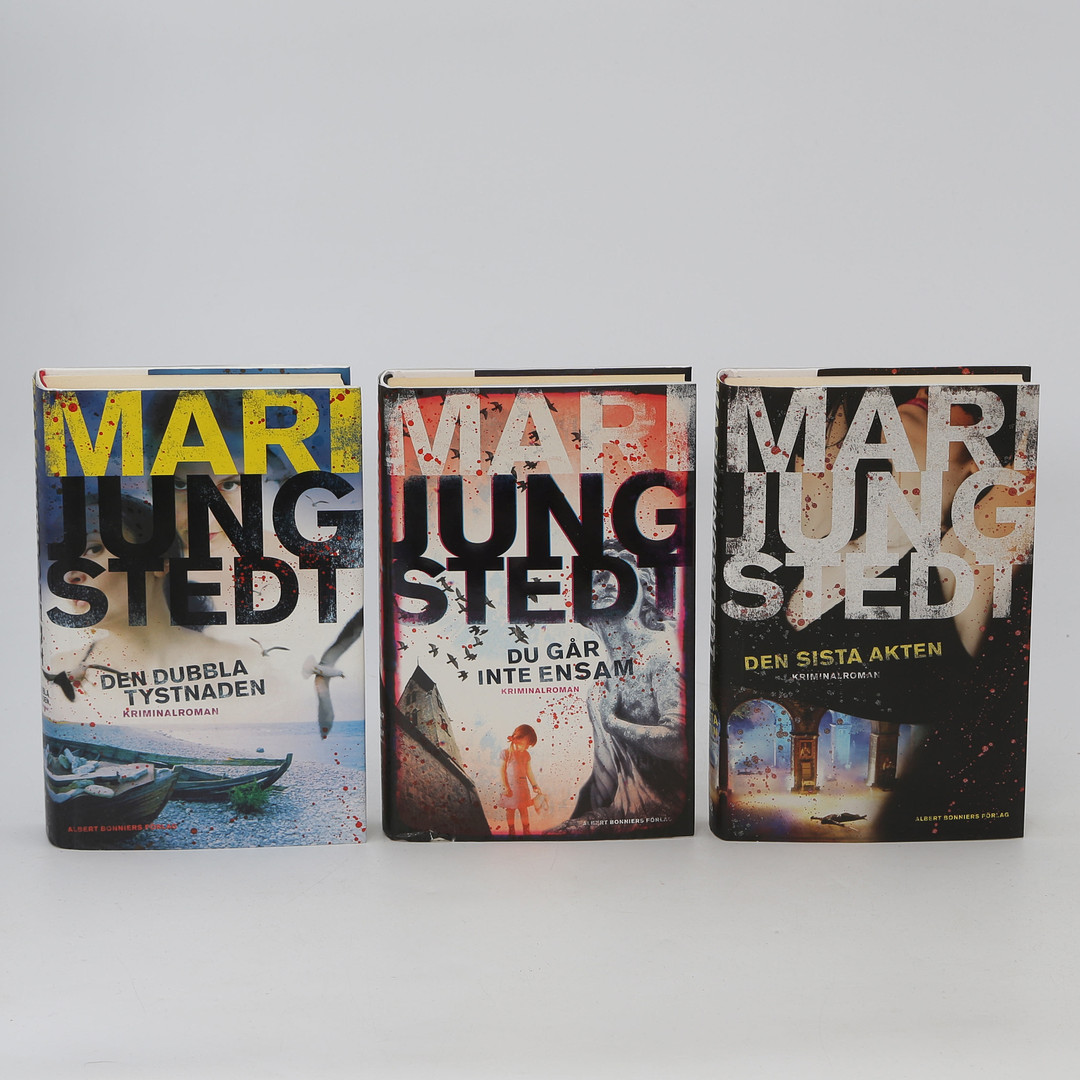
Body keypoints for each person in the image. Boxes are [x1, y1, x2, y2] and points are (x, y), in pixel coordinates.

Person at [571, 546, 689, 824]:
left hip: (671, 813)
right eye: (597, 578)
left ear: (645, 589)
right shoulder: (599, 689)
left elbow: (679, 742)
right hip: (627, 814)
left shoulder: (664, 651)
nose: (609, 582)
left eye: (619, 574)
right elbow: (605, 782)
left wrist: (614, 723)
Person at [499, 724, 542, 836]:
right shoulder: (506, 753)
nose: (526, 748)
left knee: (523, 809)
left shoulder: (526, 755)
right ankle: (511, 831)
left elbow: (529, 771)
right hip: (510, 788)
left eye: (528, 746)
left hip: (522, 788)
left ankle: (526, 830)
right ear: (516, 739)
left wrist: (534, 785)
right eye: (524, 744)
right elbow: (502, 771)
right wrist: (506, 787)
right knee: (510, 810)